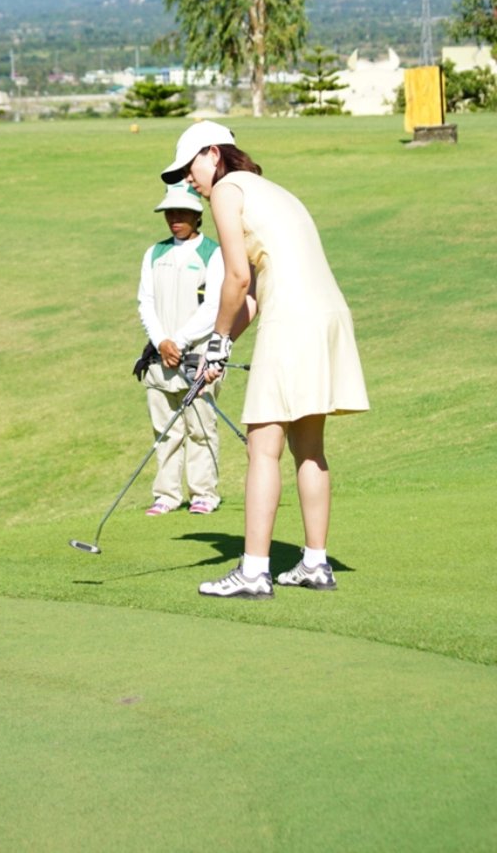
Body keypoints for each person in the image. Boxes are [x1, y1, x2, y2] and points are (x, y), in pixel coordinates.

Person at [160, 120, 369, 599]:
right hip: (327, 316)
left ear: (214, 154)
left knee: (263, 447)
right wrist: (221, 347)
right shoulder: (271, 190)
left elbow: (235, 278)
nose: (189, 179)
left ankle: (254, 571)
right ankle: (315, 564)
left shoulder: (226, 190)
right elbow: (252, 293)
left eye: (190, 167)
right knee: (308, 447)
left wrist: (215, 340)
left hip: (291, 319)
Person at [135, 183, 225, 515]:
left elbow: (214, 307)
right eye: (170, 212)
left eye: (182, 212)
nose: (175, 218)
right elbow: (146, 302)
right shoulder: (154, 253)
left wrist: (180, 341)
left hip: (198, 357)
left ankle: (204, 493)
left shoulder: (213, 253)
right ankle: (167, 495)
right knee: (165, 430)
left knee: (201, 427)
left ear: (197, 215)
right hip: (160, 357)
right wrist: (162, 341)